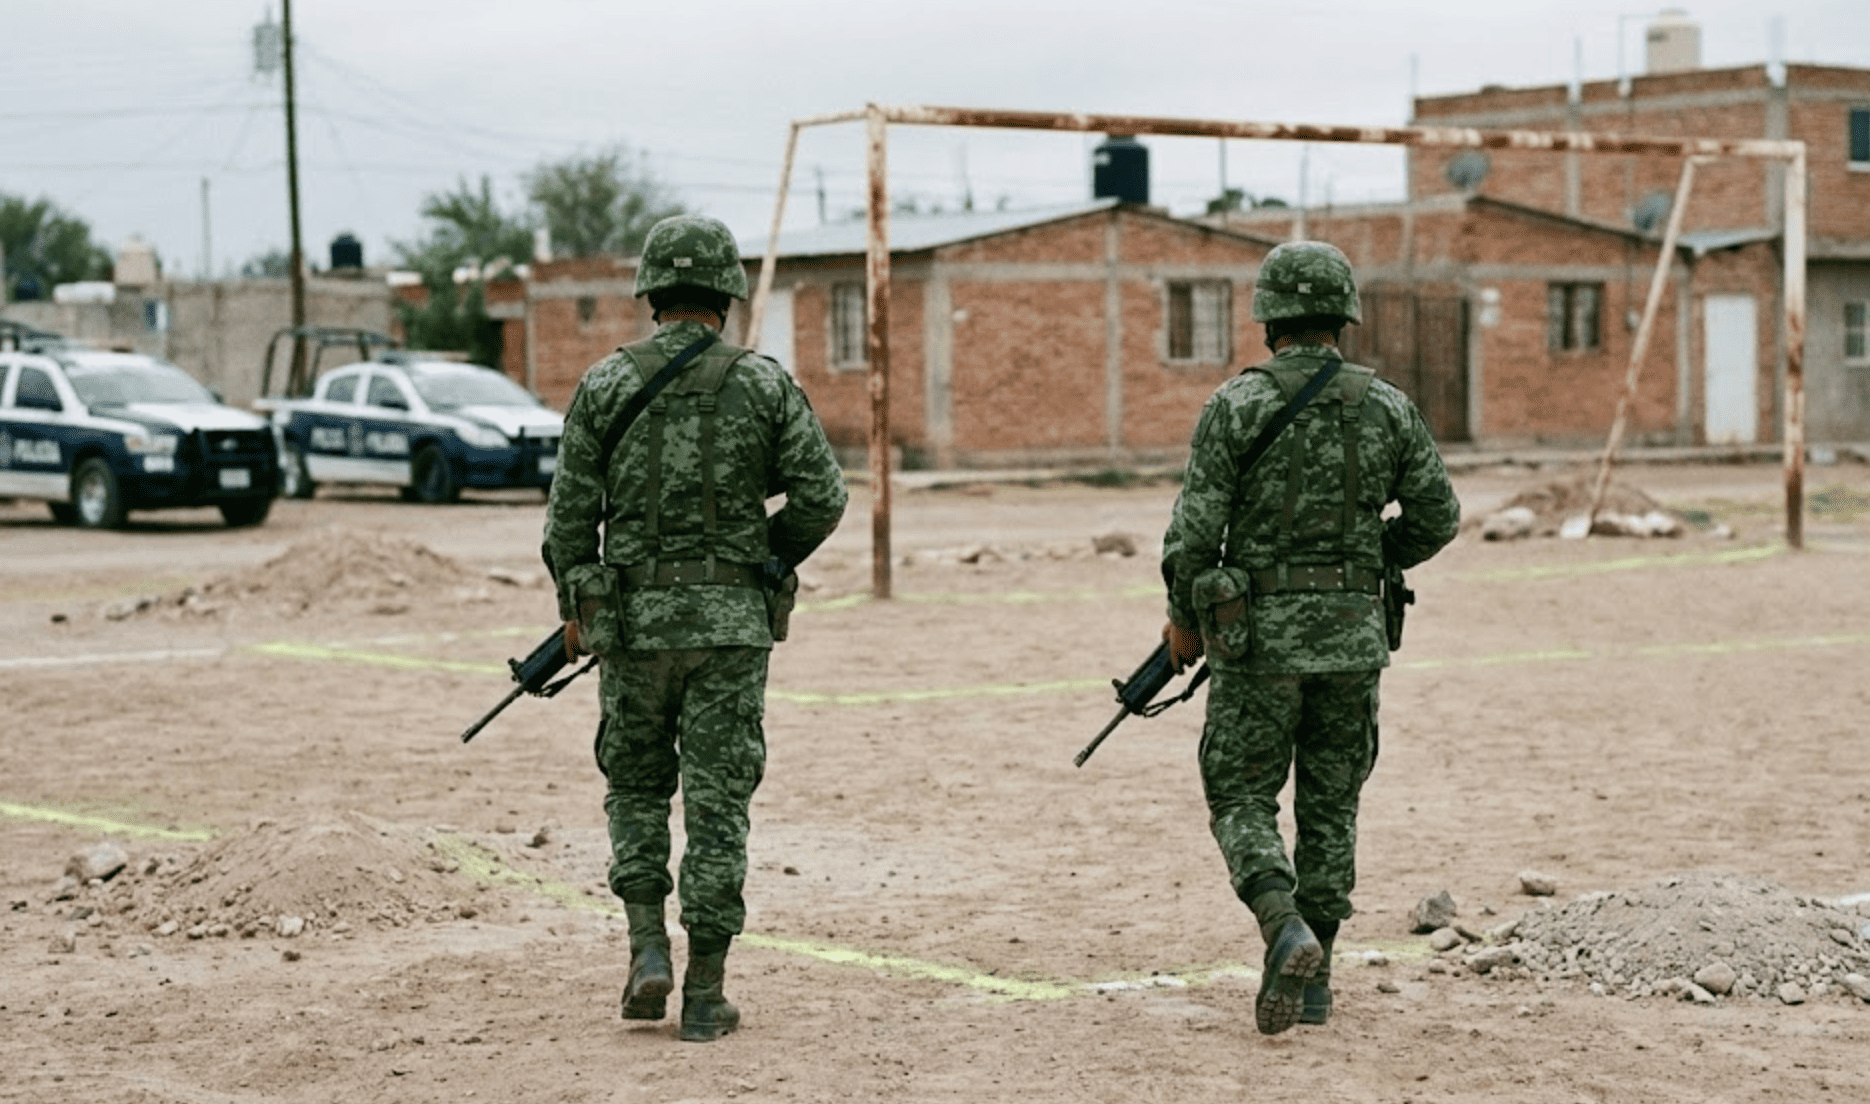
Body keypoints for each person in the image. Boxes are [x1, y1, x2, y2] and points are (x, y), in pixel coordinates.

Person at [542, 214, 848, 1042]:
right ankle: (706, 994)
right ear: (726, 294)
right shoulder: (764, 383)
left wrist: (581, 606)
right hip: (730, 631)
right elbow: (823, 496)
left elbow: (566, 527)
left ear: (651, 294)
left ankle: (647, 951)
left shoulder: (605, 384)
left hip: (635, 630)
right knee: (718, 805)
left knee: (637, 787)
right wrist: (765, 561)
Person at [1158, 240, 1460, 1035]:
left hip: (1257, 645)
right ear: (1344, 317)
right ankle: (1317, 975)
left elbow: (1194, 533)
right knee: (1332, 804)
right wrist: (1372, 561)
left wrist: (1184, 617)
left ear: (1269, 321)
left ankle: (1280, 921)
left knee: (1241, 793)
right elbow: (1439, 516)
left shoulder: (1237, 405)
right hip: (1355, 641)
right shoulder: (1388, 406)